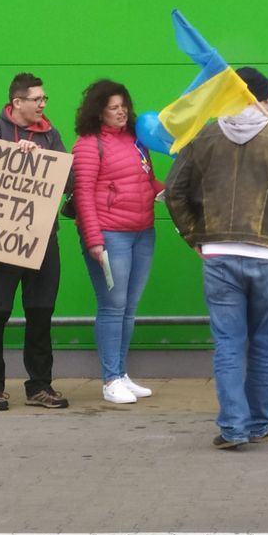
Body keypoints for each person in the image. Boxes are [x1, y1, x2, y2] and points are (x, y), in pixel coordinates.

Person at [165, 67, 268, 449]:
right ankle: (259, 423)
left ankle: (233, 429)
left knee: (228, 343)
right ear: (263, 101)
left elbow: (174, 192)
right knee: (265, 343)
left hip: (218, 253)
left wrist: (193, 237)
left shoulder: (203, 135)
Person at [0, 72, 69, 411]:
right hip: (0, 242)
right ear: (18, 102)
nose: (43, 104)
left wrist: (40, 159)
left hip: (43, 239)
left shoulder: (51, 136)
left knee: (41, 313)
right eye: (37, 99)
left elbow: (66, 179)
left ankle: (40, 386)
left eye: (44, 99)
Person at [72, 79, 163, 405]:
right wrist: (94, 240)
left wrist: (168, 192)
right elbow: (83, 195)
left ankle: (122, 373)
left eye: (124, 105)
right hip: (110, 236)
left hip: (143, 233)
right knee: (113, 307)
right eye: (113, 107)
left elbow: (148, 180)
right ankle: (110, 379)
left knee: (129, 308)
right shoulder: (87, 145)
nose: (121, 111)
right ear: (99, 112)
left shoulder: (138, 141)